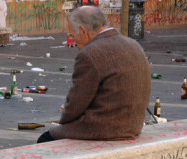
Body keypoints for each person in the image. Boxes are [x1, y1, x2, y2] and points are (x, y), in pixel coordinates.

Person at [37, 6, 150, 143]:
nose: (74, 41)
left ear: (83, 31)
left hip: (103, 128)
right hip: (133, 127)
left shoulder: (90, 54)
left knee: (45, 139)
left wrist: (65, 117)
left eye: (73, 35)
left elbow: (76, 104)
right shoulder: (133, 44)